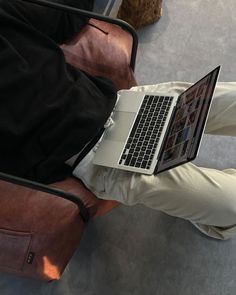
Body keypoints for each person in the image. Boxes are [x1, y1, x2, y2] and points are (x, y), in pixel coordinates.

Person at [1, 1, 236, 240]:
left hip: (90, 146)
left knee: (225, 202)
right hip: (104, 109)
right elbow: (63, 19)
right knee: (202, 102)